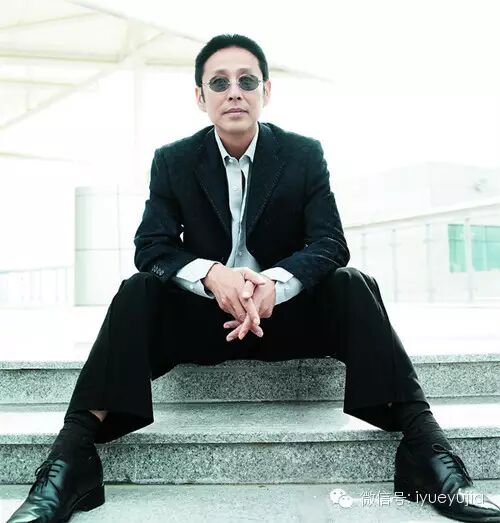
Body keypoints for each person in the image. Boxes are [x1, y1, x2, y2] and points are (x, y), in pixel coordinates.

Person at [7, 33, 500, 523]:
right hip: (205, 322)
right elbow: (151, 247)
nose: (234, 93)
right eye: (219, 82)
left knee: (353, 282)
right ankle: (69, 463)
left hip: (284, 318)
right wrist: (211, 275)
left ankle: (427, 453)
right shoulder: (174, 160)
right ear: (200, 96)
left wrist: (275, 285)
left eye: (246, 81)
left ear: (266, 90)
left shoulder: (303, 154)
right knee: (137, 290)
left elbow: (329, 243)